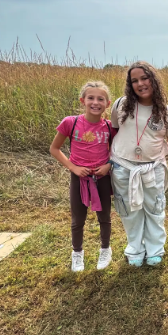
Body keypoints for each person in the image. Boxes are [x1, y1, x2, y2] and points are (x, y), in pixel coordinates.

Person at [110, 61, 168, 267]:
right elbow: (114, 131)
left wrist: (157, 157)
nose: (140, 83)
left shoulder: (166, 113)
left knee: (154, 208)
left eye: (144, 78)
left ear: (153, 80)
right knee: (129, 211)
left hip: (153, 168)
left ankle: (155, 250)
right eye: (134, 80)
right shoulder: (121, 105)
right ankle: (135, 248)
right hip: (123, 167)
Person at [50, 81, 116, 272]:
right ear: (83, 101)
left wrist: (108, 165)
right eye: (91, 98)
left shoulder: (110, 127)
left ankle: (105, 249)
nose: (95, 102)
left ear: (108, 103)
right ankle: (77, 253)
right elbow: (54, 149)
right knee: (78, 219)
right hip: (79, 178)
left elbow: (118, 152)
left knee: (104, 216)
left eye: (100, 99)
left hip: (102, 177)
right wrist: (74, 168)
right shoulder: (71, 122)